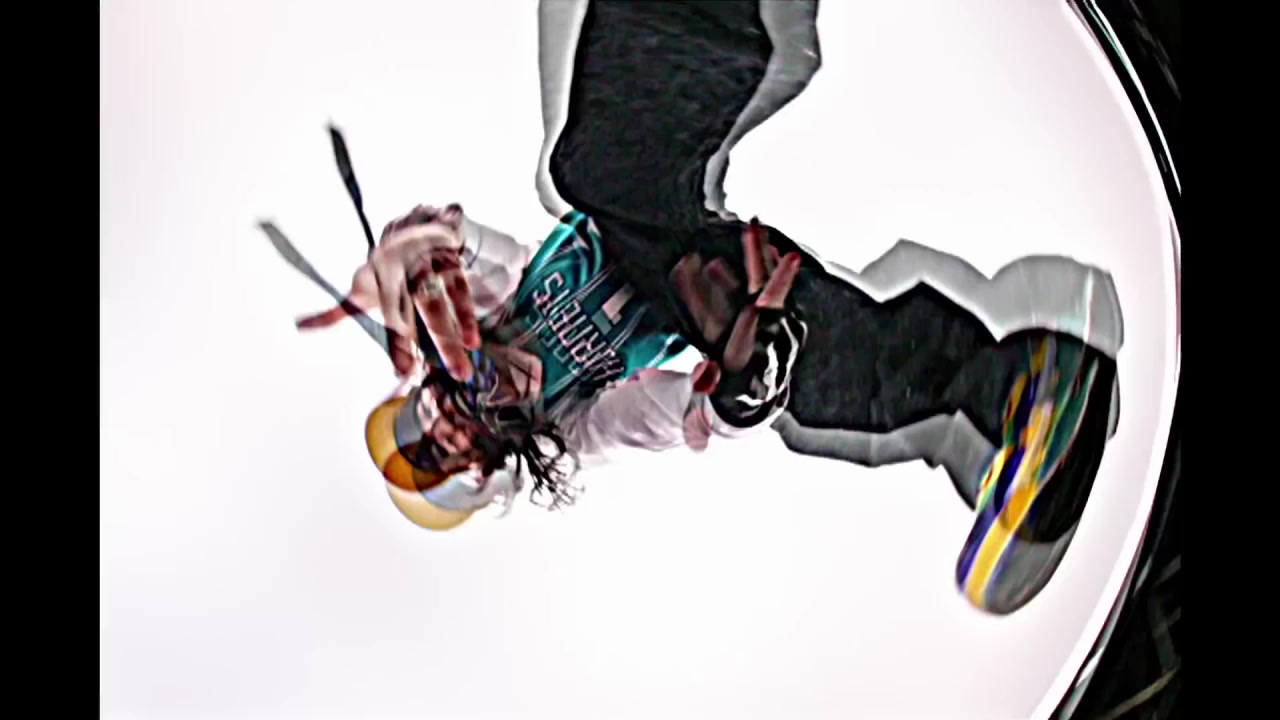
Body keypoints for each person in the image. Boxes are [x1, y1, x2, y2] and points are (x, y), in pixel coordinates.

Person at [276, 0, 1126, 616]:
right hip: (707, 293)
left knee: (579, 173)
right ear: (482, 471)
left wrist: (417, 249)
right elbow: (673, 418)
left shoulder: (488, 310)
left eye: (420, 421)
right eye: (440, 454)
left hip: (634, 206)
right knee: (795, 394)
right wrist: (744, 380)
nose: (441, 427)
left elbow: (462, 251)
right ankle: (1020, 389)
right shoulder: (573, 425)